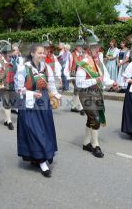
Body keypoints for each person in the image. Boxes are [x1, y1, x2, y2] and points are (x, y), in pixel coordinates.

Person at [15, 44, 61, 177]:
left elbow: (51, 85)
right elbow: (18, 89)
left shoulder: (46, 67)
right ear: (32, 53)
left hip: (43, 101)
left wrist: (56, 94)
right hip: (29, 103)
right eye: (40, 53)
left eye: (43, 53)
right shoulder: (23, 68)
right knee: (35, 131)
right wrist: (31, 94)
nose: (42, 55)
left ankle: (41, 156)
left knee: (45, 130)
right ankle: (42, 161)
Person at [76, 33, 117, 157]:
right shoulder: (83, 64)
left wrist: (112, 83)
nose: (96, 49)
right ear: (88, 49)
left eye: (97, 47)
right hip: (86, 93)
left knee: (92, 118)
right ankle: (95, 145)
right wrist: (95, 80)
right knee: (96, 118)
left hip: (97, 93)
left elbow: (105, 78)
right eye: (93, 47)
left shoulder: (99, 62)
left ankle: (86, 143)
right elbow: (79, 83)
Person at [69, 37, 85, 115]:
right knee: (79, 89)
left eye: (82, 47)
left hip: (81, 74)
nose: (81, 48)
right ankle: (80, 107)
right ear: (76, 47)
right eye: (80, 46)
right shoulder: (72, 54)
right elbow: (68, 65)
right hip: (73, 73)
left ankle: (73, 106)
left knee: (77, 90)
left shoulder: (82, 54)